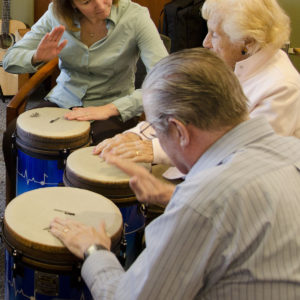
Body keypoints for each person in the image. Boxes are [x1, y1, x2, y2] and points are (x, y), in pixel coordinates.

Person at [51, 48, 300, 299]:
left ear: (179, 131)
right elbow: (246, 211)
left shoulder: (202, 201)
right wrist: (173, 194)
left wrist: (94, 251)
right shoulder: (292, 150)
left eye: (157, 131)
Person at [93, 0, 300, 168]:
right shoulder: (233, 63)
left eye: (215, 34)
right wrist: (135, 135)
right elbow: (182, 112)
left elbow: (241, 159)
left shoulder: (281, 87)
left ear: (246, 42)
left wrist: (153, 149)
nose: (205, 43)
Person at [3, 0, 168, 142]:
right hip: (64, 100)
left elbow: (166, 81)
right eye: (86, 1)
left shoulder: (136, 16)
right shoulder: (56, 13)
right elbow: (10, 59)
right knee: (13, 135)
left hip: (113, 106)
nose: (101, 6)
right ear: (70, 3)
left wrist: (111, 108)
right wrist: (36, 57)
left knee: (89, 147)